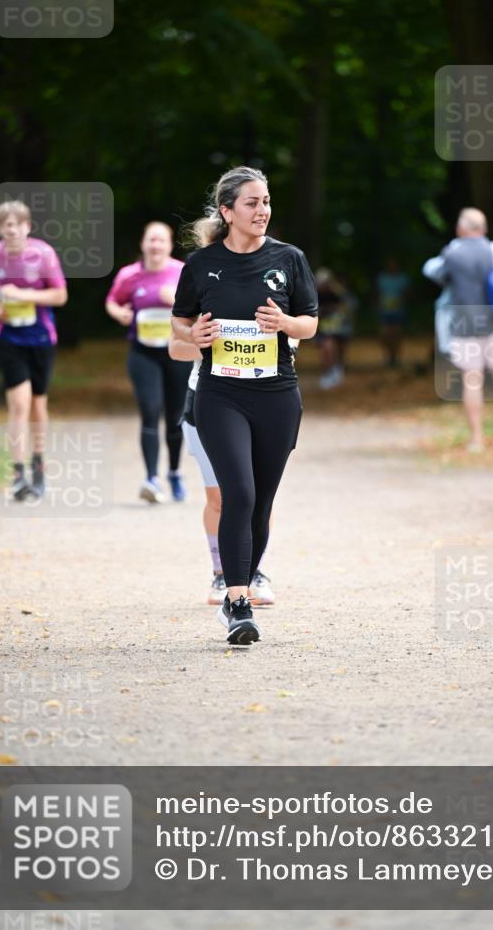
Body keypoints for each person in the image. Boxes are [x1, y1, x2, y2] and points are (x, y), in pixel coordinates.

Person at [171, 166, 318, 645]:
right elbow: (179, 326)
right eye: (252, 203)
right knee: (239, 492)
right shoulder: (201, 265)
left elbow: (310, 326)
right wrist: (193, 336)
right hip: (221, 395)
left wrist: (284, 322)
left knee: (262, 503)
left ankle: (245, 578)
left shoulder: (290, 259)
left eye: (267, 201)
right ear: (228, 211)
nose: (263, 211)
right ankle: (237, 602)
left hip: (277, 396)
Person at [168, 346, 277, 607]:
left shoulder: (278, 305)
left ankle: (254, 572)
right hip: (208, 401)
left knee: (258, 496)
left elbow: (296, 338)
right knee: (219, 497)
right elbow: (176, 348)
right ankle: (220, 574)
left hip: (265, 398)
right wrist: (212, 343)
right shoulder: (201, 304)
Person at [0, 200, 68, 499]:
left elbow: (60, 295)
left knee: (36, 406)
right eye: (6, 225)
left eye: (17, 224)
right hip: (9, 338)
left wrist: (22, 294)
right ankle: (18, 473)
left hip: (41, 338)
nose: (12, 229)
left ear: (27, 227)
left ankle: (39, 467)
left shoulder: (43, 254)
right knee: (18, 405)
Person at [423, 207, 493, 452]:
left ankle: (477, 439)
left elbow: (434, 273)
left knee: (472, 380)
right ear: (483, 228)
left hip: (464, 324)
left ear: (462, 228)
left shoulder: (452, 252)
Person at [106, 222, 190, 502]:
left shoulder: (181, 272)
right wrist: (119, 314)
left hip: (177, 351)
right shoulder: (129, 275)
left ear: (169, 245)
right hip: (143, 353)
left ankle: (175, 473)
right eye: (151, 240)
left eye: (161, 241)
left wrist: (177, 299)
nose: (155, 246)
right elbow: (112, 301)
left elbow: (202, 306)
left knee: (177, 416)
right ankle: (151, 479)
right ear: (143, 244)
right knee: (150, 410)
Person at [315, 269, 354, 389]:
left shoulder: (338, 293)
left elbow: (350, 304)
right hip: (324, 329)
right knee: (326, 350)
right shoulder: (315, 295)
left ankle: (337, 369)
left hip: (340, 328)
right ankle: (327, 373)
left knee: (339, 350)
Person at [377, 256, 410, 368]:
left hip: (398, 311)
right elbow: (378, 293)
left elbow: (407, 294)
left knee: (397, 334)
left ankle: (395, 357)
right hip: (385, 311)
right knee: (385, 334)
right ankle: (389, 355)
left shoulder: (402, 278)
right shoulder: (382, 278)